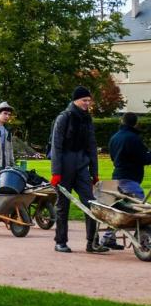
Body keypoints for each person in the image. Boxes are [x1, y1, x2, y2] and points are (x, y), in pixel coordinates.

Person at [50, 87, 108, 254]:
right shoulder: (63, 118)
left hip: (81, 164)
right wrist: (56, 172)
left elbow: (91, 145)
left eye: (89, 101)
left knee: (90, 202)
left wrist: (94, 172)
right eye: (84, 100)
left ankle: (92, 242)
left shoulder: (87, 119)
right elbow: (56, 146)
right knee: (63, 205)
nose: (87, 103)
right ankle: (60, 241)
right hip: (65, 165)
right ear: (75, 100)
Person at [102, 112, 151, 249]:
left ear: (122, 121)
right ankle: (144, 240)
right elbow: (144, 158)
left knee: (120, 210)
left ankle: (107, 239)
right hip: (130, 179)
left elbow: (113, 157)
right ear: (135, 123)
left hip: (117, 177)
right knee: (143, 211)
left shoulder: (114, 137)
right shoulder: (133, 138)